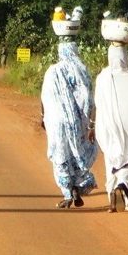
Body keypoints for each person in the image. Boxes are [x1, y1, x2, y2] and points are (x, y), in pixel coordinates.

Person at [41, 41, 98, 208]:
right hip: (77, 121)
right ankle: (79, 186)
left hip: (56, 121)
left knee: (60, 156)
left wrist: (43, 116)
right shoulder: (82, 70)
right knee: (77, 152)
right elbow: (87, 98)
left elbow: (45, 97)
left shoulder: (52, 71)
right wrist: (89, 122)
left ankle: (67, 192)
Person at [93, 44, 128, 212]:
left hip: (109, 125)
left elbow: (97, 103)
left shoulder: (103, 77)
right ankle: (125, 187)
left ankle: (112, 199)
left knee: (111, 158)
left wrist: (92, 125)